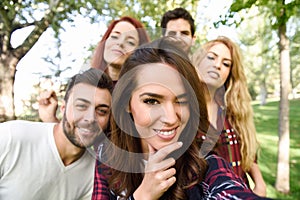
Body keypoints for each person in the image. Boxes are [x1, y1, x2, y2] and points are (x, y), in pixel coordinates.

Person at [92, 38, 268, 199]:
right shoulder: (107, 159)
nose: (170, 118)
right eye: (152, 101)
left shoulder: (205, 164)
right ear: (127, 103)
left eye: (181, 101)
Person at [0, 68, 113, 199]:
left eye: (102, 111)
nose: (90, 118)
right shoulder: (10, 137)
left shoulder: (95, 175)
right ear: (63, 108)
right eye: (81, 106)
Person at [191, 36, 267, 197]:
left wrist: (259, 183)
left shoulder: (233, 109)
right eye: (211, 57)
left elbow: (248, 151)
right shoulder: (183, 109)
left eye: (226, 64)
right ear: (197, 61)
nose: (217, 65)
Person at [39, 16, 150, 123]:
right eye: (115, 37)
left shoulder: (142, 95)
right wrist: (50, 118)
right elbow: (75, 136)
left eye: (130, 42)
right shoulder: (85, 85)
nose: (120, 43)